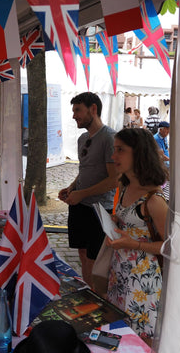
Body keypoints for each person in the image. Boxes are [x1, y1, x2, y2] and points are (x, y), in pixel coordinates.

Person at [106, 128, 168, 341]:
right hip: (121, 272)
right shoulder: (125, 185)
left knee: (138, 339)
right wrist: (114, 222)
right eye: (115, 150)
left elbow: (171, 246)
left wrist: (136, 244)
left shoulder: (154, 200)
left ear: (139, 153)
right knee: (119, 333)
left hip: (143, 282)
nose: (114, 156)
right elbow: (129, 221)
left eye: (120, 150)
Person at [58, 92, 117, 288]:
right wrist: (72, 188)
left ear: (93, 109)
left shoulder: (110, 138)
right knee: (82, 254)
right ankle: (88, 292)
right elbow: (84, 170)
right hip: (79, 206)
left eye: (78, 110)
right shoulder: (83, 138)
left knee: (95, 258)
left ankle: (96, 298)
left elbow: (114, 180)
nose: (74, 115)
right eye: (73, 110)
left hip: (99, 210)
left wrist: (81, 193)